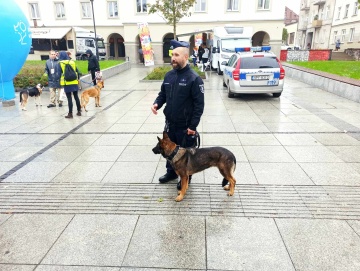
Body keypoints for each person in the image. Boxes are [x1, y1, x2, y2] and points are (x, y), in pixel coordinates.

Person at [151, 40, 205, 184]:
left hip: (185, 126)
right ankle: (171, 173)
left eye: (176, 55)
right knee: (169, 150)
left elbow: (199, 106)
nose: (173, 58)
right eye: (172, 54)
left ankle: (185, 178)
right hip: (170, 123)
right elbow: (163, 93)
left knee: (185, 155)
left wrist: (193, 126)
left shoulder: (194, 79)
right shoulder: (169, 76)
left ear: (186, 57)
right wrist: (157, 103)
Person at [57, 51, 81, 119]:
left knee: (69, 98)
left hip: (66, 83)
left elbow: (58, 74)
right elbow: (77, 71)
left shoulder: (60, 63)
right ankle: (79, 111)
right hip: (74, 82)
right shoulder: (72, 62)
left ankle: (70, 113)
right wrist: (78, 79)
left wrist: (59, 82)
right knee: (76, 97)